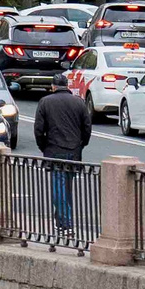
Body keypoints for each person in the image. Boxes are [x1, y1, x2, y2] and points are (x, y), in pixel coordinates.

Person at [33, 72, 90, 231]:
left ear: (53, 86)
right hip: (74, 150)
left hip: (54, 149)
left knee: (59, 187)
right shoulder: (79, 102)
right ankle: (61, 220)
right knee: (67, 186)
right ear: (67, 86)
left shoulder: (45, 102)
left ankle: (65, 222)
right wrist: (81, 144)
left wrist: (43, 146)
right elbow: (87, 127)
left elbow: (38, 129)